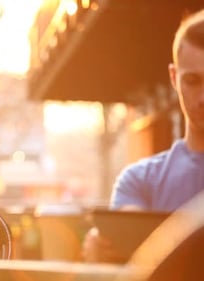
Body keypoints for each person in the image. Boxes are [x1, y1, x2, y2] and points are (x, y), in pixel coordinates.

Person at [82, 9, 204, 263]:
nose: (203, 98)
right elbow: (130, 248)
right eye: (193, 81)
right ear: (174, 77)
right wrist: (105, 253)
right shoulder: (139, 182)